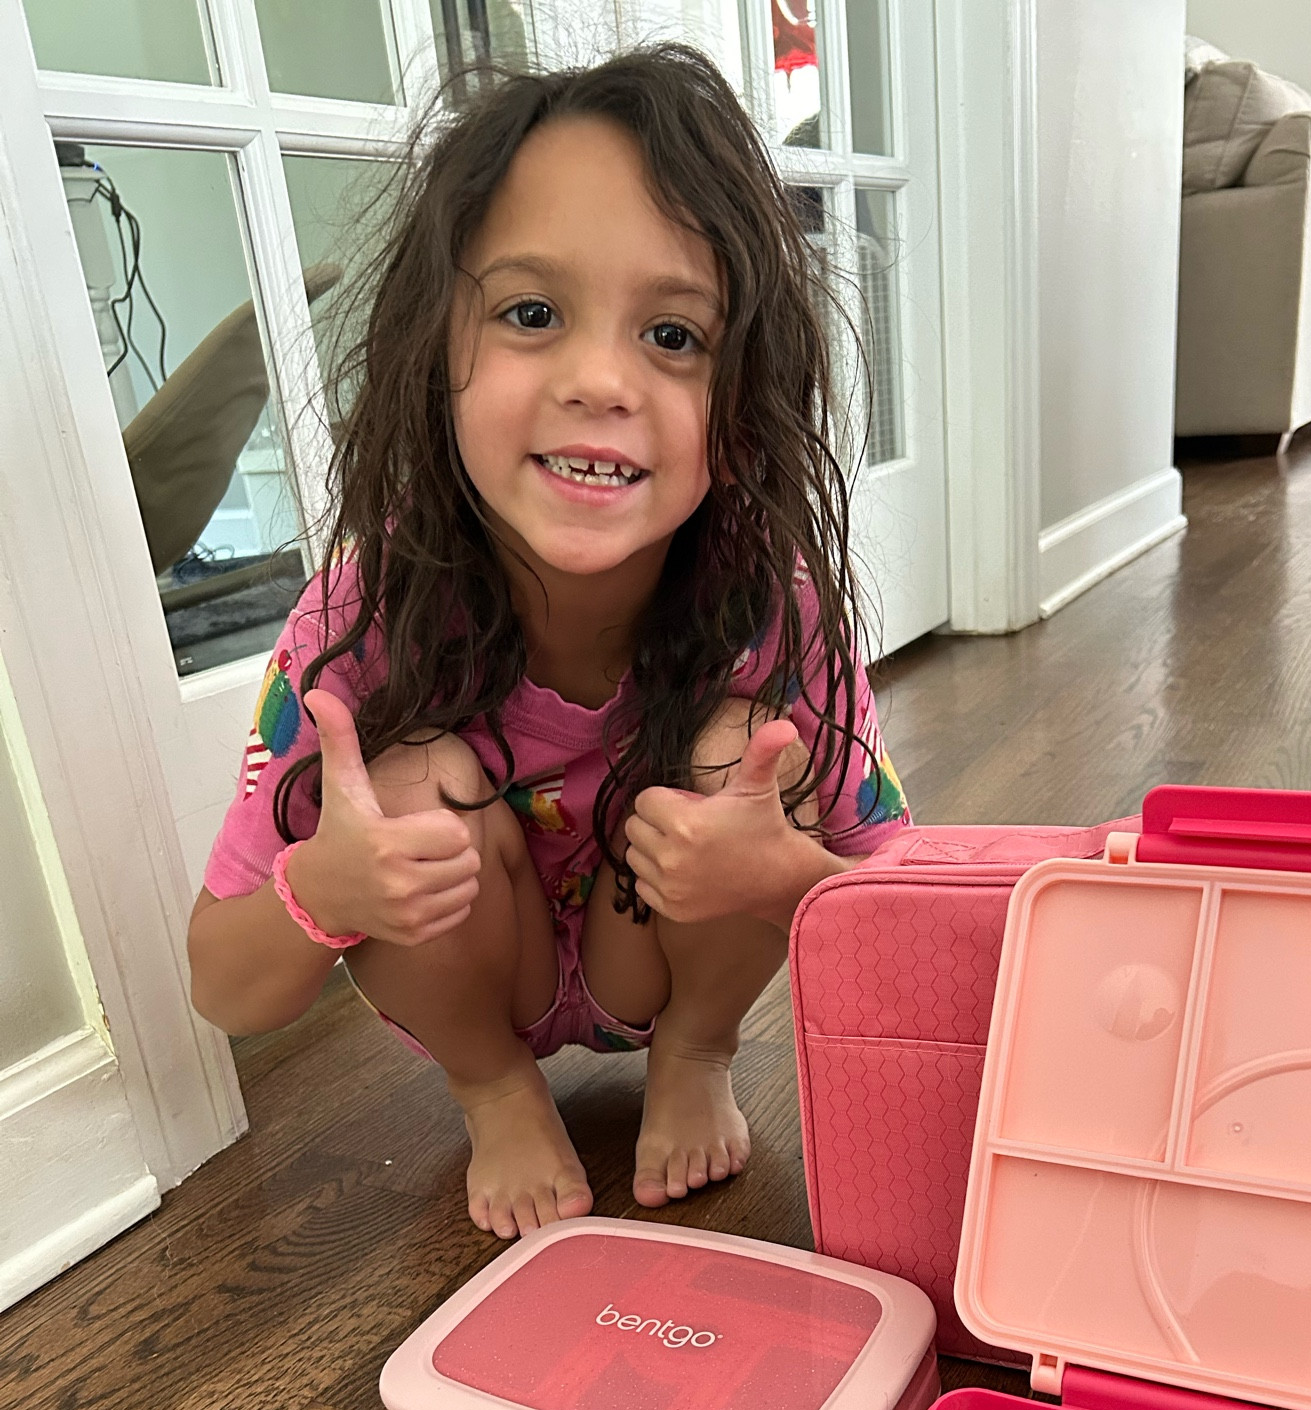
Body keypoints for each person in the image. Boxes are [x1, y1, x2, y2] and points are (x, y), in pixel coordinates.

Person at [187, 45, 910, 1241]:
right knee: (403, 782)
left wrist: (783, 880)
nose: (598, 380)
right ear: (438, 361)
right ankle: (495, 1086)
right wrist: (327, 887)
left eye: (674, 336)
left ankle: (695, 1050)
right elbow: (224, 984)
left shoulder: (772, 606)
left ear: (738, 413)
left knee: (741, 762)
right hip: (484, 976)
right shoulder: (355, 621)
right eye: (533, 314)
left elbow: (908, 921)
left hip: (663, 971)